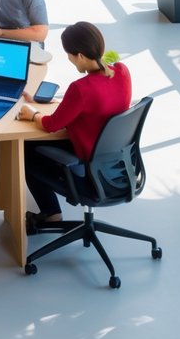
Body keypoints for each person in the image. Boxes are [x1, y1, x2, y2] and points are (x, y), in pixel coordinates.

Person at [17, 21, 132, 227]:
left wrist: (32, 113)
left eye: (69, 55)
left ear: (79, 55)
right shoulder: (122, 72)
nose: (70, 60)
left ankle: (51, 212)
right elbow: (101, 104)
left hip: (89, 166)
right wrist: (60, 105)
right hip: (116, 161)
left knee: (24, 151)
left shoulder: (81, 88)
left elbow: (51, 125)